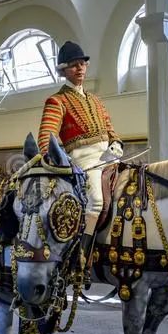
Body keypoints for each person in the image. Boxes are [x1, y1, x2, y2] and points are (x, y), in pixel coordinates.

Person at [37, 40, 123, 249]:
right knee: (96, 201)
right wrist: (62, 162)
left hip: (110, 157)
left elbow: (110, 129)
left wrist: (116, 143)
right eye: (74, 65)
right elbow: (46, 138)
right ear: (63, 70)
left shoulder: (96, 100)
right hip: (84, 162)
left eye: (82, 64)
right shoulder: (57, 101)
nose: (80, 68)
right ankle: (81, 251)